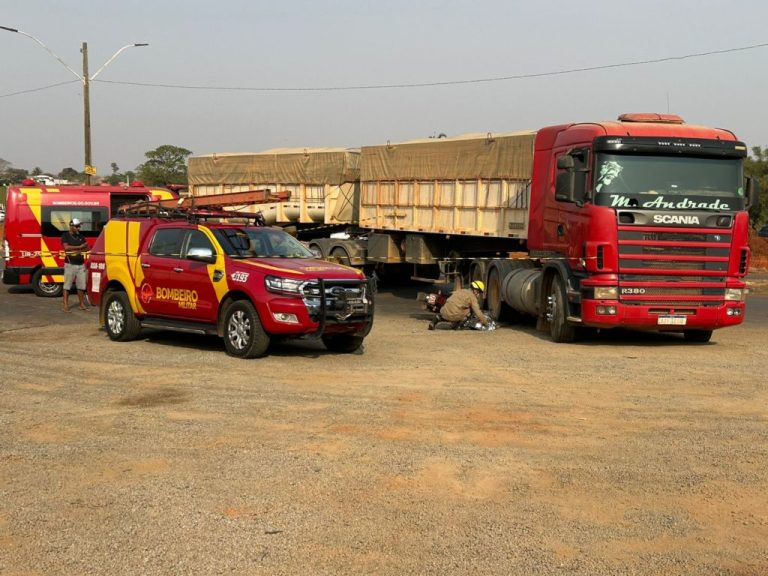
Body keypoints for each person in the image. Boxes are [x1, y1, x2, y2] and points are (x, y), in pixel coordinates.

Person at [61, 218, 89, 312]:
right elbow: (66, 247)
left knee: (81, 286)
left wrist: (79, 250)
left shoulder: (81, 236)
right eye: (77, 226)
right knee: (67, 286)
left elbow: (87, 248)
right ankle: (65, 305)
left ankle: (81, 304)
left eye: (79, 226)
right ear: (71, 226)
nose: (78, 228)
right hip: (70, 264)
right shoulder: (65, 235)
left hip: (81, 265)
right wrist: (80, 247)